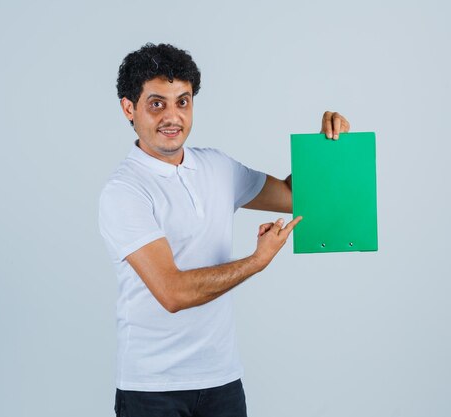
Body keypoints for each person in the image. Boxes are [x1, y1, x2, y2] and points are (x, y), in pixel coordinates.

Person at [99, 43, 350, 417]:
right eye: (156, 104)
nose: (172, 116)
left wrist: (327, 147)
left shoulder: (216, 167)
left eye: (182, 102)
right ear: (128, 108)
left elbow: (295, 196)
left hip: (222, 382)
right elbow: (172, 293)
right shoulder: (124, 190)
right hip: (152, 390)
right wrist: (256, 261)